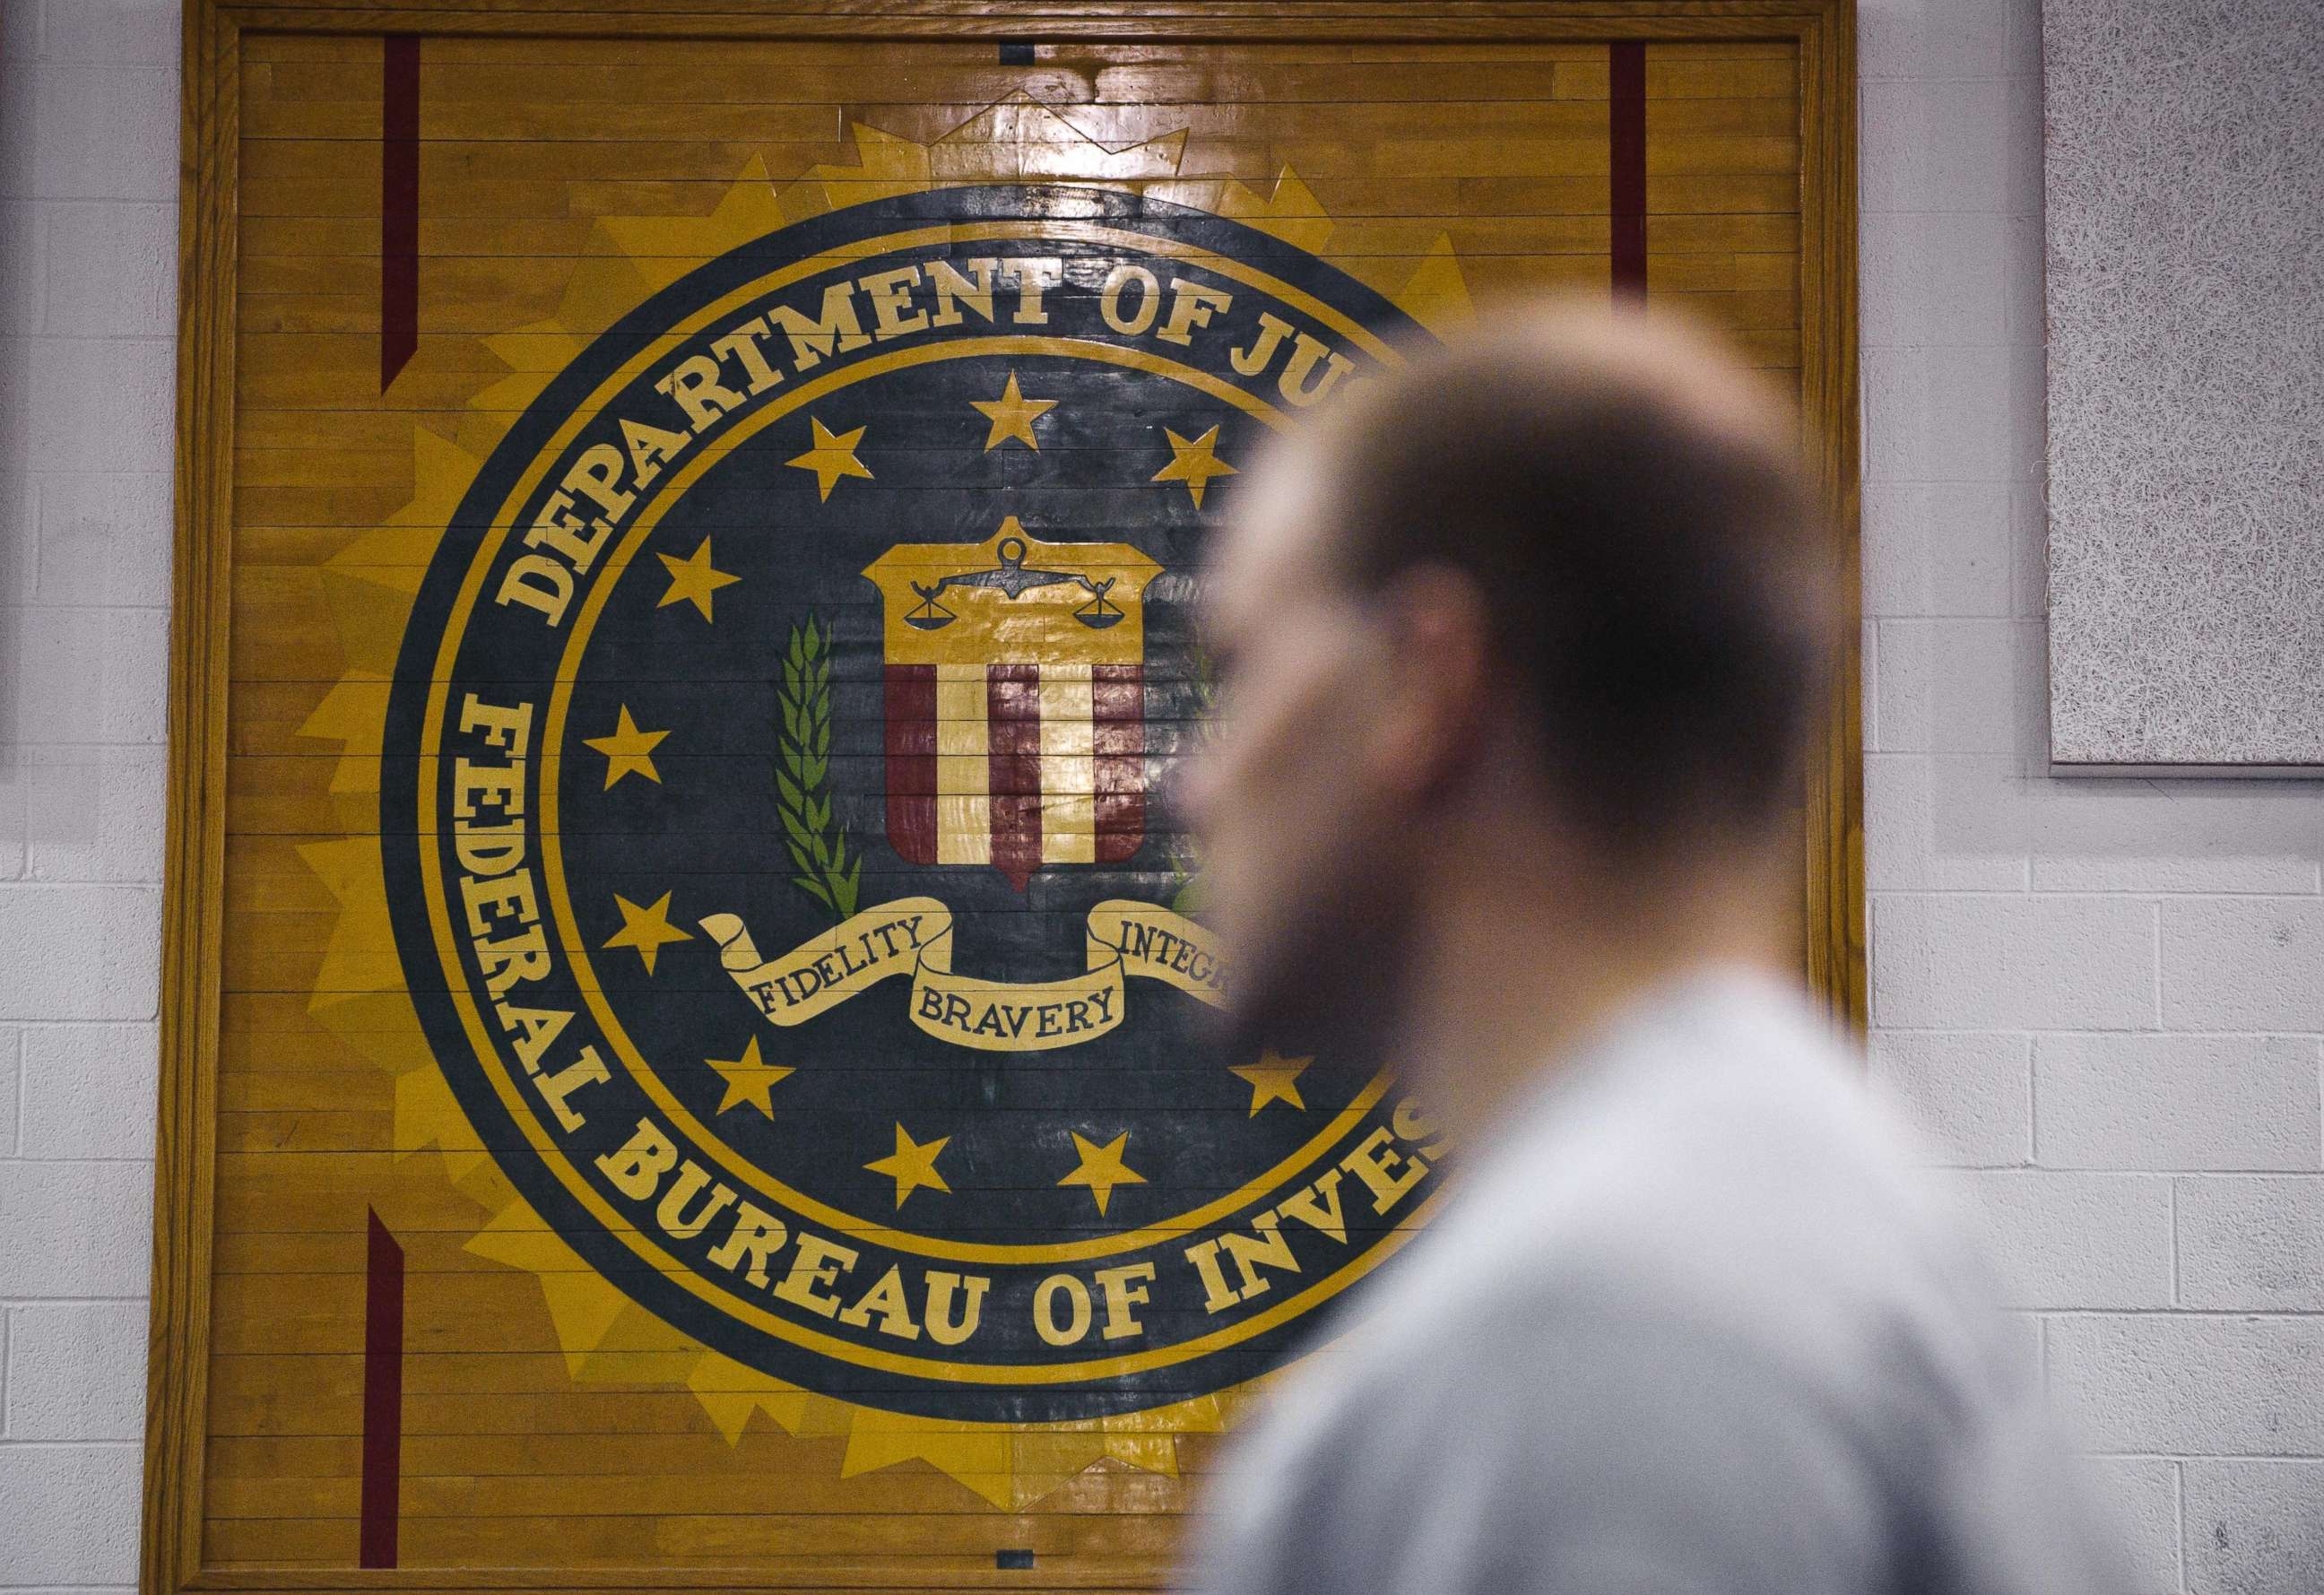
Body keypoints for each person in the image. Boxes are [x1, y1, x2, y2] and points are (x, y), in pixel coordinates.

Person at [1175, 303, 2120, 1595]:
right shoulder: (1756, 1201)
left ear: (1422, 684)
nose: (1193, 783)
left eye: (1238, 667)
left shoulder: (1600, 1331)